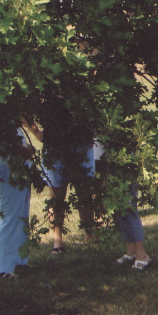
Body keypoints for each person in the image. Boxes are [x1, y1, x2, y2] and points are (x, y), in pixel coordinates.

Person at [0, 104, 43, 279]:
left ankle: (19, 262)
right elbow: (14, 148)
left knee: (21, 217)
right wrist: (29, 151)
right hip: (7, 170)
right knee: (10, 217)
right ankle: (1, 269)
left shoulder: (10, 120)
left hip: (19, 171)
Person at [40, 92, 97, 253]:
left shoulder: (79, 81)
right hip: (54, 147)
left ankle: (89, 235)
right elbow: (28, 106)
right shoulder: (45, 82)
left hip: (81, 144)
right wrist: (37, 132)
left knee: (85, 192)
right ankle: (57, 242)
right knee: (56, 196)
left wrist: (91, 132)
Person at [95, 140, 151, 271]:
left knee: (128, 207)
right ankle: (131, 251)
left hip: (121, 159)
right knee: (118, 208)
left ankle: (141, 254)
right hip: (103, 159)